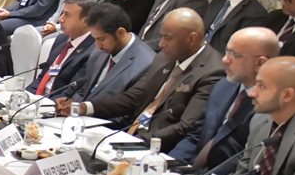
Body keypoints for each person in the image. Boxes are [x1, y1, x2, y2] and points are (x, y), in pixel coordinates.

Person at [78, 8, 223, 150]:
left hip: (158, 147)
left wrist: (136, 142)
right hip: (130, 133)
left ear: (191, 39)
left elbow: (184, 127)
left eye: (167, 37)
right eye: (161, 36)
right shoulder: (164, 57)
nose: (161, 44)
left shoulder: (212, 72)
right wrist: (86, 107)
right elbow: (134, 97)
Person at [170, 26, 280, 171]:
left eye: (235, 55)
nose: (225, 59)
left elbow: (246, 160)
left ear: (260, 63)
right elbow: (197, 135)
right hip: (192, 170)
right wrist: (170, 164)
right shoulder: (223, 85)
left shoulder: (272, 105)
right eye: (227, 51)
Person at [59, 2, 155, 105]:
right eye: (95, 39)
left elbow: (127, 108)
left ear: (121, 33)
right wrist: (72, 103)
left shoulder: (146, 64)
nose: (97, 45)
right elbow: (86, 90)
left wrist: (84, 109)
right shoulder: (100, 50)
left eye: (101, 39)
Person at [29, 0, 98, 99]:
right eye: (62, 14)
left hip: (55, 103)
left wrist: (40, 103)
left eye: (67, 15)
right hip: (37, 100)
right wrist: (25, 96)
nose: (60, 19)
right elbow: (42, 77)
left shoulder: (93, 51)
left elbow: (71, 92)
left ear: (86, 21)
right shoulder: (61, 39)